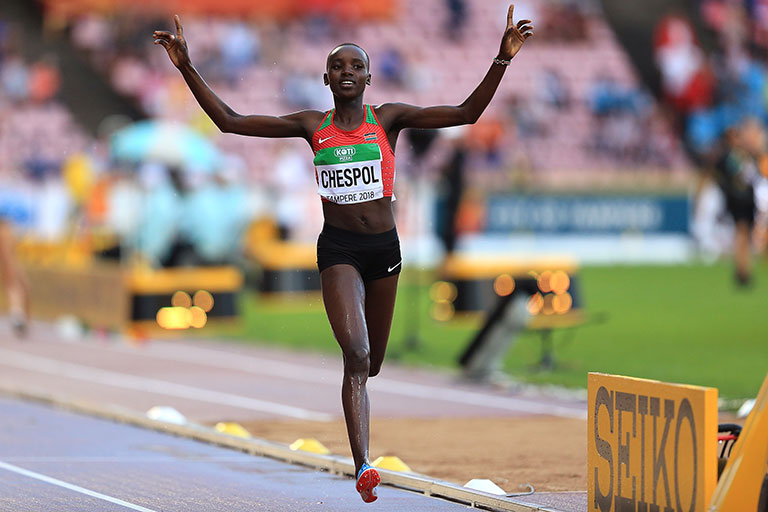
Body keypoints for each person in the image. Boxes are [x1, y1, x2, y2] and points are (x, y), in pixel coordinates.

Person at [153, 7, 532, 502]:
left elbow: (466, 114)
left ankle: (362, 432)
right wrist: (185, 65)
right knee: (355, 356)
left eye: (357, 66)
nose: (348, 72)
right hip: (339, 250)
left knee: (371, 362)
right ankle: (363, 467)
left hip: (385, 252)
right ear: (325, 78)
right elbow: (231, 121)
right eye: (339, 66)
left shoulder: (389, 119)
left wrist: (500, 61)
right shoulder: (314, 126)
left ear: (369, 78)